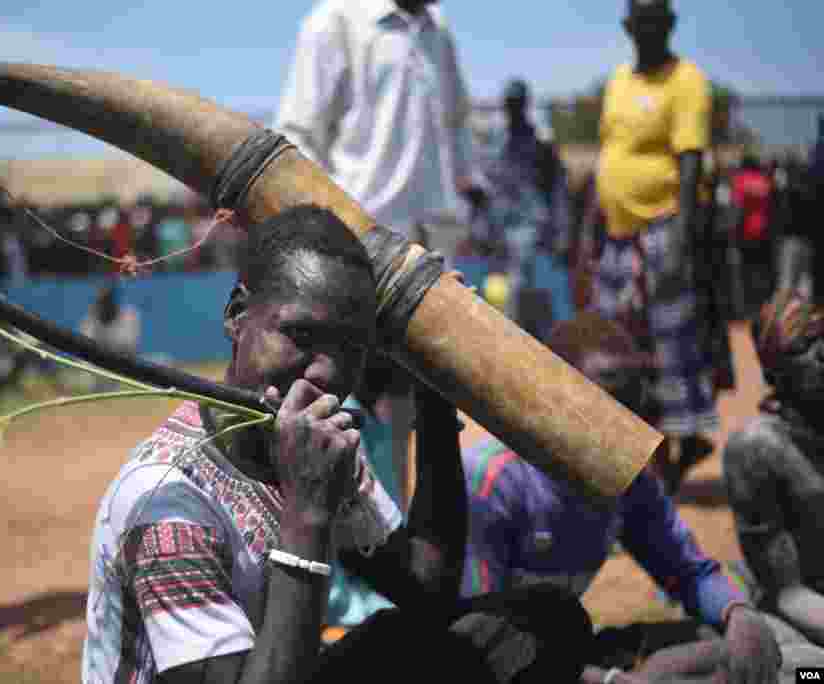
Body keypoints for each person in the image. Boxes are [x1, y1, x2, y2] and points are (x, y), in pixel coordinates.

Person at [82, 204, 593, 684]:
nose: (327, 371)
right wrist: (308, 512)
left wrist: (435, 394)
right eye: (301, 335)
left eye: (350, 348)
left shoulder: (310, 443)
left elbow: (427, 587)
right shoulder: (167, 506)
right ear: (238, 314)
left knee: (539, 622)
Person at [460, 313, 785, 683]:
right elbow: (479, 637)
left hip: (566, 653)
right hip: (492, 663)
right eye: (601, 409)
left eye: (629, 409)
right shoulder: (492, 483)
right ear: (551, 401)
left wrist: (737, 611)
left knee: (734, 646)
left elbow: (687, 571)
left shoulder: (625, 477)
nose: (619, 427)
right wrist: (606, 679)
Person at [275, 0, 481, 509]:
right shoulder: (334, 23)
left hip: (429, 249)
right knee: (354, 395)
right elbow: (298, 137)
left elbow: (456, 123)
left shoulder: (437, 28)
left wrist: (462, 196)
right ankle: (358, 538)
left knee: (418, 397)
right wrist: (330, 237)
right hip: (357, 246)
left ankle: (398, 530)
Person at [591, 0, 719, 495]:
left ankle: (682, 444)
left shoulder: (686, 81)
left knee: (668, 347)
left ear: (668, 25)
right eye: (639, 21)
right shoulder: (619, 82)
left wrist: (684, 237)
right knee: (617, 344)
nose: (647, 30)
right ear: (627, 27)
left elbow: (690, 160)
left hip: (664, 231)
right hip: (617, 235)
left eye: (656, 21)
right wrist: (592, 231)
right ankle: (643, 451)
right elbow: (609, 155)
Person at [723, 291, 824, 670]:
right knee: (804, 671)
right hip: (800, 616)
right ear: (774, 371)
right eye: (803, 346)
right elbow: (790, 593)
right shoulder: (756, 450)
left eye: (822, 335)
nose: (822, 354)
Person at [470, 78, 572, 339]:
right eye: (508, 104)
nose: (512, 109)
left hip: (530, 232)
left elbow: (558, 190)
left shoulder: (540, 145)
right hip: (497, 233)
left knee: (521, 291)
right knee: (491, 294)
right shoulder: (494, 145)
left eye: (516, 104)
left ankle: (520, 342)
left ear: (524, 105)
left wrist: (562, 232)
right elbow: (484, 191)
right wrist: (479, 228)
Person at [729, 154, 776, 319]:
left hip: (745, 236)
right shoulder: (764, 181)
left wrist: (732, 232)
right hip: (764, 236)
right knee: (762, 279)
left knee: (744, 279)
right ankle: (763, 315)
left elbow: (737, 210)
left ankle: (749, 316)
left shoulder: (739, 180)